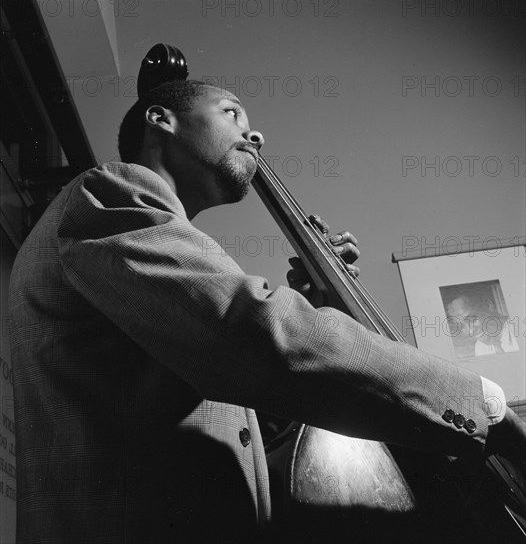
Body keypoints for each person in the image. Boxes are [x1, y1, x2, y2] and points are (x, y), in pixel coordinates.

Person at [8, 79, 526, 544]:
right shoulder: (108, 194)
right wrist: (485, 407)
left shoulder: (159, 252)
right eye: (232, 113)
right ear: (159, 118)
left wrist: (322, 302)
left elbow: (249, 405)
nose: (254, 137)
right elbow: (255, 337)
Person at [446, 295, 519, 357]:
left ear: (488, 306)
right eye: (462, 326)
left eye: (471, 318)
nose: (471, 331)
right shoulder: (480, 349)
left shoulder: (517, 328)